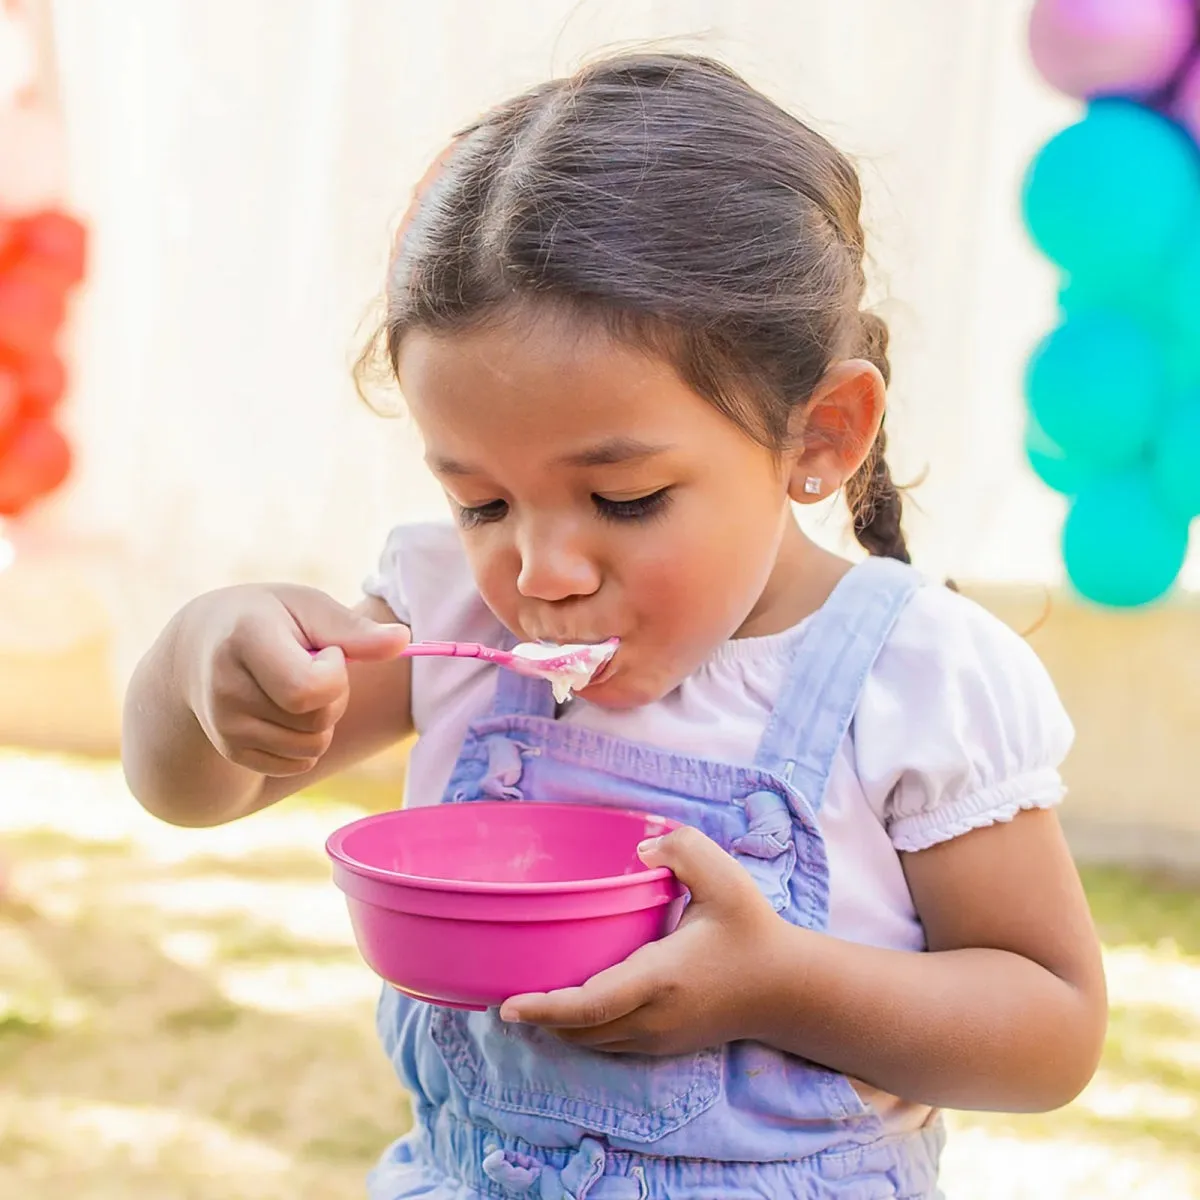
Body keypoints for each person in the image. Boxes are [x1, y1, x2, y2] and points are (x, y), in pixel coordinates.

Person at [122, 52, 1107, 1200]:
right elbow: (189, 791)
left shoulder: (913, 678)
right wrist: (207, 658)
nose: (541, 570)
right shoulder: (439, 610)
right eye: (480, 501)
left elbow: (1052, 1031)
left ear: (822, 435)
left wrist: (781, 983)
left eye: (624, 500)